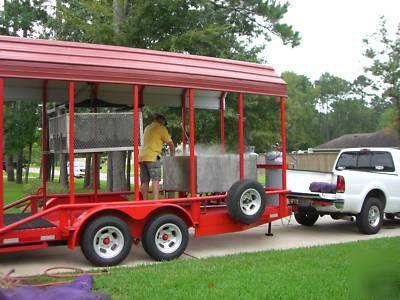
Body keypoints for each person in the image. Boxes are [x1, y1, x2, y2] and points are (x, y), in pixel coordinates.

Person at [139, 114, 175, 200]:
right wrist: (172, 154)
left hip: (142, 157)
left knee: (145, 181)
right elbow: (171, 143)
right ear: (161, 121)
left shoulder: (147, 127)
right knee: (156, 180)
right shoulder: (161, 128)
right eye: (164, 123)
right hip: (153, 157)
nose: (164, 125)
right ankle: (155, 202)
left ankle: (144, 201)